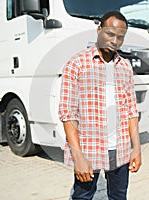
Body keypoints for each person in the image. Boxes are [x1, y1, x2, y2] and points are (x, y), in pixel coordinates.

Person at [59, 10, 141, 200]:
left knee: (119, 196)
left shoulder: (125, 67)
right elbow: (68, 113)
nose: (115, 41)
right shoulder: (76, 64)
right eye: (110, 34)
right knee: (82, 197)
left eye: (120, 37)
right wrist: (78, 155)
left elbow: (131, 111)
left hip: (120, 149)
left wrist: (136, 147)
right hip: (89, 149)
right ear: (99, 31)